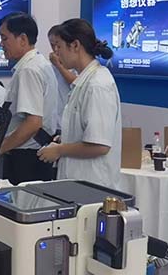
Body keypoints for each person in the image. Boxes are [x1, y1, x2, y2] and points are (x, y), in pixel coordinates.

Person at [37, 18, 122, 190]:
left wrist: (60, 150)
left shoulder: (97, 85)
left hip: (92, 185)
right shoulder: (84, 81)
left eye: (59, 46)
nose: (56, 53)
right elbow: (86, 131)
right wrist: (65, 139)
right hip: (76, 184)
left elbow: (100, 145)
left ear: (75, 45)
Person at [0, 12, 58, 185]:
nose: (1, 44)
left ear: (22, 39)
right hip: (38, 154)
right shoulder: (40, 63)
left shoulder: (28, 70)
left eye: (4, 38)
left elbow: (33, 123)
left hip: (26, 159)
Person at [48, 25, 78, 133]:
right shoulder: (49, 66)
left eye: (58, 45)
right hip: (53, 124)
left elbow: (77, 83)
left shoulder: (74, 64)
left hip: (68, 125)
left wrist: (59, 65)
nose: (55, 49)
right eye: (52, 45)